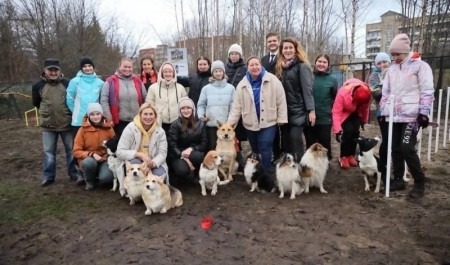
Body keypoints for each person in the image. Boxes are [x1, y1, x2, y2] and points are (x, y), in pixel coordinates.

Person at [379, 33, 434, 198]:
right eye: (393, 54)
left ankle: (419, 181)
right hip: (393, 116)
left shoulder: (420, 66)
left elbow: (427, 91)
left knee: (406, 147)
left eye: (398, 54)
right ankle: (398, 179)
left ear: (406, 51)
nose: (395, 58)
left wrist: (424, 113)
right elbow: (386, 92)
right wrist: (383, 110)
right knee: (395, 148)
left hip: (412, 116)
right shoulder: (392, 69)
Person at [228, 57, 288, 170]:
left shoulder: (273, 80)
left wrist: (282, 118)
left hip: (269, 122)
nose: (255, 67)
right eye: (252, 65)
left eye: (257, 64)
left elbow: (281, 100)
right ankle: (259, 171)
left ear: (261, 65)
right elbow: (236, 107)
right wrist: (230, 124)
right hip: (250, 122)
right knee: (255, 149)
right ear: (247, 67)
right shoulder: (242, 84)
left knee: (265, 146)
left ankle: (267, 172)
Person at [31, 58, 78, 186]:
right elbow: (36, 103)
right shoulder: (38, 86)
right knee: (48, 152)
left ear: (59, 71)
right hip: (48, 125)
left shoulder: (68, 83)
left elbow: (73, 99)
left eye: (55, 70)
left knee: (71, 150)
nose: (53, 72)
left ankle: (73, 173)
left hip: (66, 123)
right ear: (45, 71)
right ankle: (48, 176)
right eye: (50, 70)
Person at [275, 38, 315, 159]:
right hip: (284, 111)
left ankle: (300, 167)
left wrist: (311, 110)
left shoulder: (302, 66)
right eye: (285, 48)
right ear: (281, 51)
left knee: (295, 140)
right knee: (286, 142)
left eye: (290, 47)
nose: (288, 50)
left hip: (299, 110)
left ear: (296, 49)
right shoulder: (280, 68)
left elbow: (307, 89)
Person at [116, 103, 169, 182]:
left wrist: (151, 164)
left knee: (160, 176)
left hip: (152, 162)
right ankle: (134, 191)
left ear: (155, 116)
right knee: (135, 164)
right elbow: (120, 152)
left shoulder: (160, 131)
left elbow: (162, 153)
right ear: (140, 115)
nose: (148, 117)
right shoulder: (130, 128)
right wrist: (139, 154)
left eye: (151, 114)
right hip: (135, 161)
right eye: (145, 114)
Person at [100, 57, 147, 138]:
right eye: (125, 67)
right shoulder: (110, 81)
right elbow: (104, 101)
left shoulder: (138, 81)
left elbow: (145, 98)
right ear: (119, 67)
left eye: (129, 67)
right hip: (119, 123)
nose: (127, 69)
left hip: (136, 121)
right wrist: (109, 118)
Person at [72, 103, 115, 190]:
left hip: (104, 159)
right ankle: (89, 182)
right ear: (88, 115)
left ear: (101, 114)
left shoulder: (109, 128)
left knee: (106, 179)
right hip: (89, 159)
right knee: (89, 163)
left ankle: (99, 176)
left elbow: (114, 145)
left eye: (98, 114)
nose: (95, 117)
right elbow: (76, 151)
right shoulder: (82, 130)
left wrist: (107, 156)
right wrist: (92, 154)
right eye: (92, 114)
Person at [304, 54, 338, 160]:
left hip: (325, 117)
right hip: (309, 116)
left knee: (325, 141)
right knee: (310, 142)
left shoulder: (332, 80)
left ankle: (325, 163)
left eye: (324, 62)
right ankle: (311, 163)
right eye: (319, 61)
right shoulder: (308, 77)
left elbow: (334, 97)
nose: (321, 64)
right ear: (315, 62)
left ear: (328, 65)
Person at [332, 78, 371, 169]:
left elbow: (365, 108)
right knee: (348, 132)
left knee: (355, 133)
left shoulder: (366, 92)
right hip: (345, 113)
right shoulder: (342, 92)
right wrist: (337, 130)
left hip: (357, 112)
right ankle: (343, 156)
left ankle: (351, 155)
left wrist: (363, 121)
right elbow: (336, 112)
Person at [197, 60, 235, 151]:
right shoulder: (206, 89)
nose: (218, 73)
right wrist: (201, 116)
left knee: (227, 149)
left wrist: (230, 122)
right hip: (211, 125)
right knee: (212, 148)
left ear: (223, 72)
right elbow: (201, 105)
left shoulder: (231, 88)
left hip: (226, 127)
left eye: (220, 71)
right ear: (212, 73)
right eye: (216, 71)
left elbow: (233, 107)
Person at [168, 97, 207, 181]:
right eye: (183, 108)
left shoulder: (201, 124)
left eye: (188, 108)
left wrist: (191, 149)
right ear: (179, 110)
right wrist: (182, 155)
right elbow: (172, 144)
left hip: (194, 152)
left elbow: (204, 144)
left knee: (198, 156)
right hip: (178, 154)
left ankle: (197, 172)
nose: (186, 111)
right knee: (182, 170)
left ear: (193, 109)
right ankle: (182, 174)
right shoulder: (175, 125)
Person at [367, 52, 391, 186]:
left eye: (385, 62)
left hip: (398, 112)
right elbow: (375, 93)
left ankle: (393, 163)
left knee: (395, 140)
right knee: (386, 139)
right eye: (379, 63)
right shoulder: (373, 76)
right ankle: (383, 164)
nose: (382, 65)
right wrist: (386, 88)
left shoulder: (394, 71)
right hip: (382, 112)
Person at [66, 56, 104, 137]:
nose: (87, 68)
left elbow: (102, 100)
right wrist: (76, 111)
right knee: (78, 145)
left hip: (95, 120)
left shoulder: (100, 83)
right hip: (79, 121)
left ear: (93, 67)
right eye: (85, 66)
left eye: (89, 66)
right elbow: (69, 99)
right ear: (81, 68)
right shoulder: (75, 81)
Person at [146, 61, 187, 133]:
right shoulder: (153, 88)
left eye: (170, 72)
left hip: (177, 123)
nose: (168, 74)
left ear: (173, 73)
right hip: (159, 123)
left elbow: (185, 105)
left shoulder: (180, 88)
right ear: (161, 73)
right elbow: (149, 105)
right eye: (165, 72)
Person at [225, 43, 247, 169]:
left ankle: (240, 160)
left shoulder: (244, 69)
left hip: (239, 105)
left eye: (236, 54)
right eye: (232, 54)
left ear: (240, 55)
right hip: (226, 105)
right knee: (228, 134)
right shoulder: (224, 68)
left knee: (238, 135)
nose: (234, 56)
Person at [261, 32, 282, 162]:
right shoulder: (263, 60)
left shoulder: (284, 57)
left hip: (281, 95)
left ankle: (281, 154)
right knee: (271, 127)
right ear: (267, 43)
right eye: (269, 41)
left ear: (278, 42)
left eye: (274, 41)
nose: (272, 43)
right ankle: (274, 154)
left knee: (282, 128)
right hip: (267, 97)